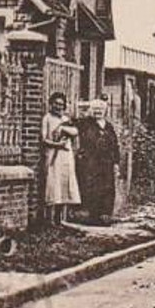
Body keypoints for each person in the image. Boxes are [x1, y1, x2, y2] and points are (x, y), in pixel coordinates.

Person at [73, 99, 121, 225]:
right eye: (95, 109)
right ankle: (92, 216)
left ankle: (105, 215)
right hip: (91, 161)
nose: (98, 112)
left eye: (100, 109)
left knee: (108, 187)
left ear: (105, 111)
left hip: (107, 162)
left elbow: (115, 145)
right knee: (92, 187)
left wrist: (116, 163)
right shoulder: (85, 123)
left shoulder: (109, 126)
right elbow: (71, 125)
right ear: (91, 111)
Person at [42, 92, 83, 228]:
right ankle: (49, 220)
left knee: (64, 184)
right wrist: (57, 145)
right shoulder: (47, 118)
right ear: (51, 104)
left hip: (66, 156)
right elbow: (44, 139)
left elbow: (76, 132)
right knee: (53, 184)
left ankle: (60, 219)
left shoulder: (66, 119)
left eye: (61, 104)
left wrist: (65, 129)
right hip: (54, 154)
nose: (58, 106)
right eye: (56, 103)